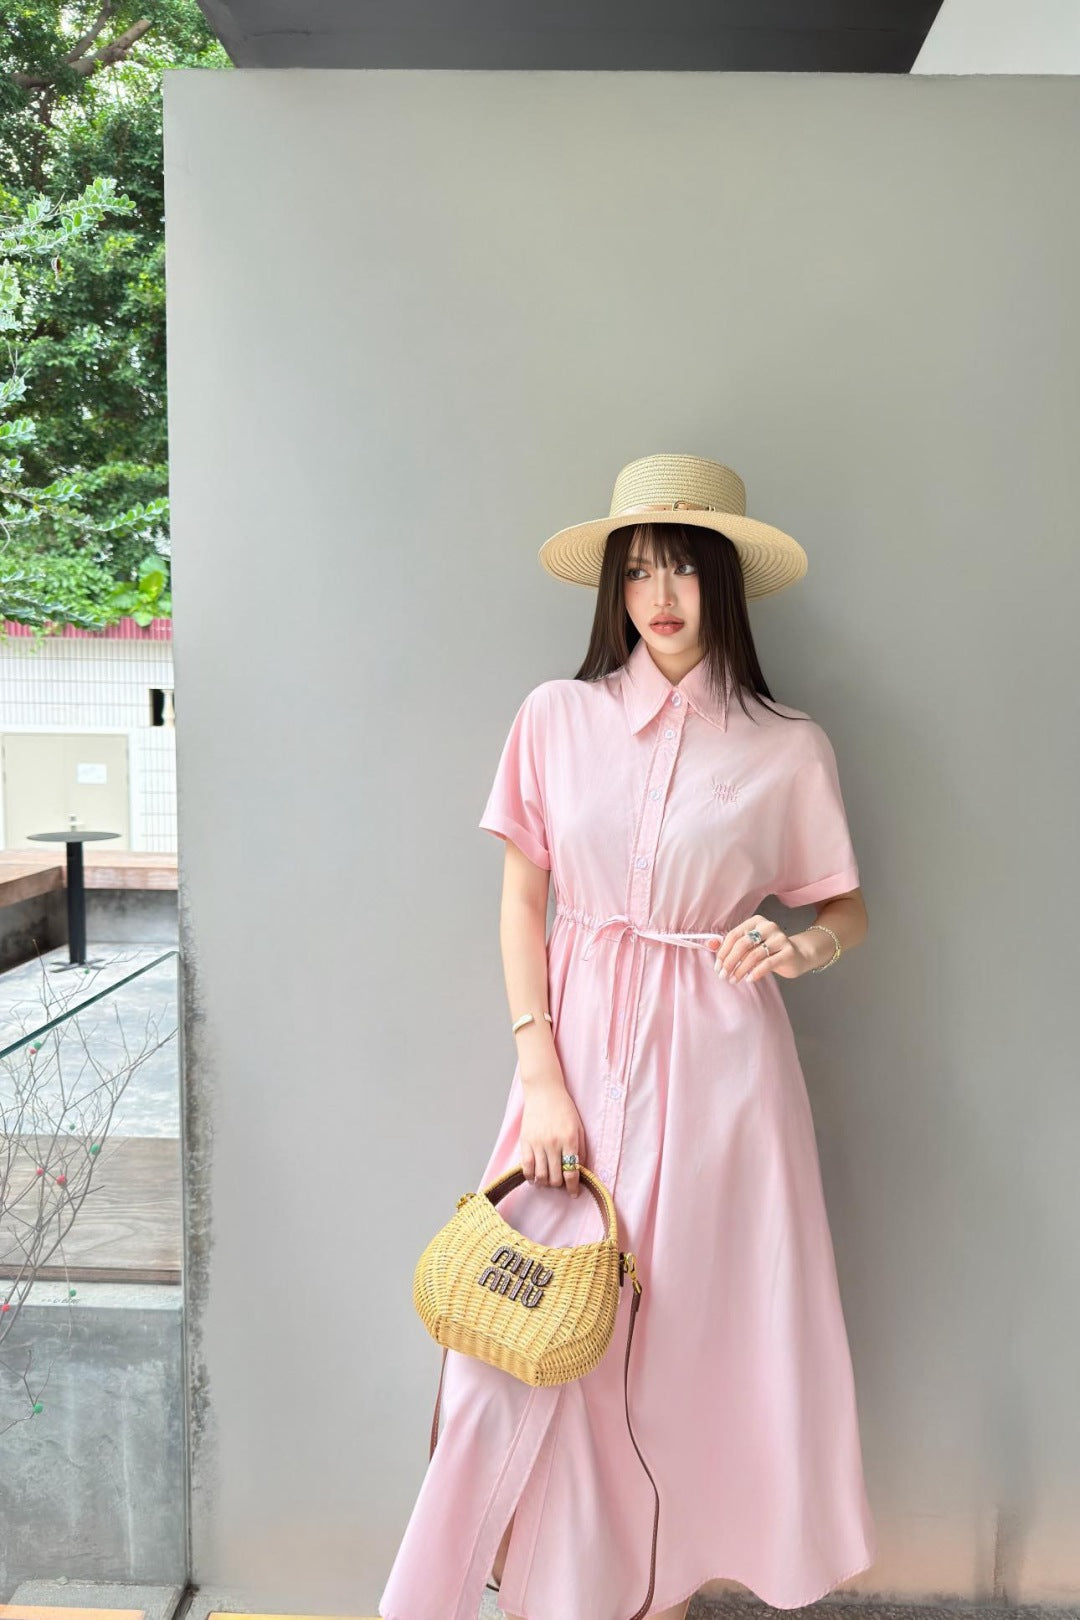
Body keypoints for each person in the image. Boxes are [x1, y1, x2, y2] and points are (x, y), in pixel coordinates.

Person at [378, 453, 876, 1620]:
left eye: (684, 569)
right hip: (576, 1060)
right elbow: (524, 902)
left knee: (683, 1355)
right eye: (639, 569)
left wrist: (799, 947)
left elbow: (845, 908)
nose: (660, 595)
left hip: (724, 1080)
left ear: (723, 582)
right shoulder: (556, 718)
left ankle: (654, 1595)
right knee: (526, 1336)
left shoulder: (786, 744)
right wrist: (539, 1075)